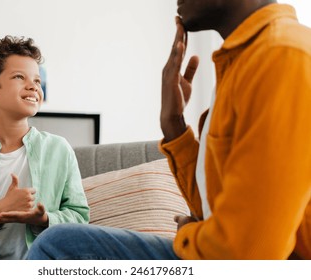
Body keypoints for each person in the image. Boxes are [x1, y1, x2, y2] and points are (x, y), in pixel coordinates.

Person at [26, 0, 311, 260]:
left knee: (59, 245)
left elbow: (247, 255)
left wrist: (189, 235)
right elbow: (209, 208)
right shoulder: (247, 61)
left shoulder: (282, 56)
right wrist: (173, 124)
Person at [0, 36, 90, 260]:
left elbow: (80, 218)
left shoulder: (59, 149)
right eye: (19, 77)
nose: (33, 86)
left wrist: (43, 220)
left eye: (37, 81)